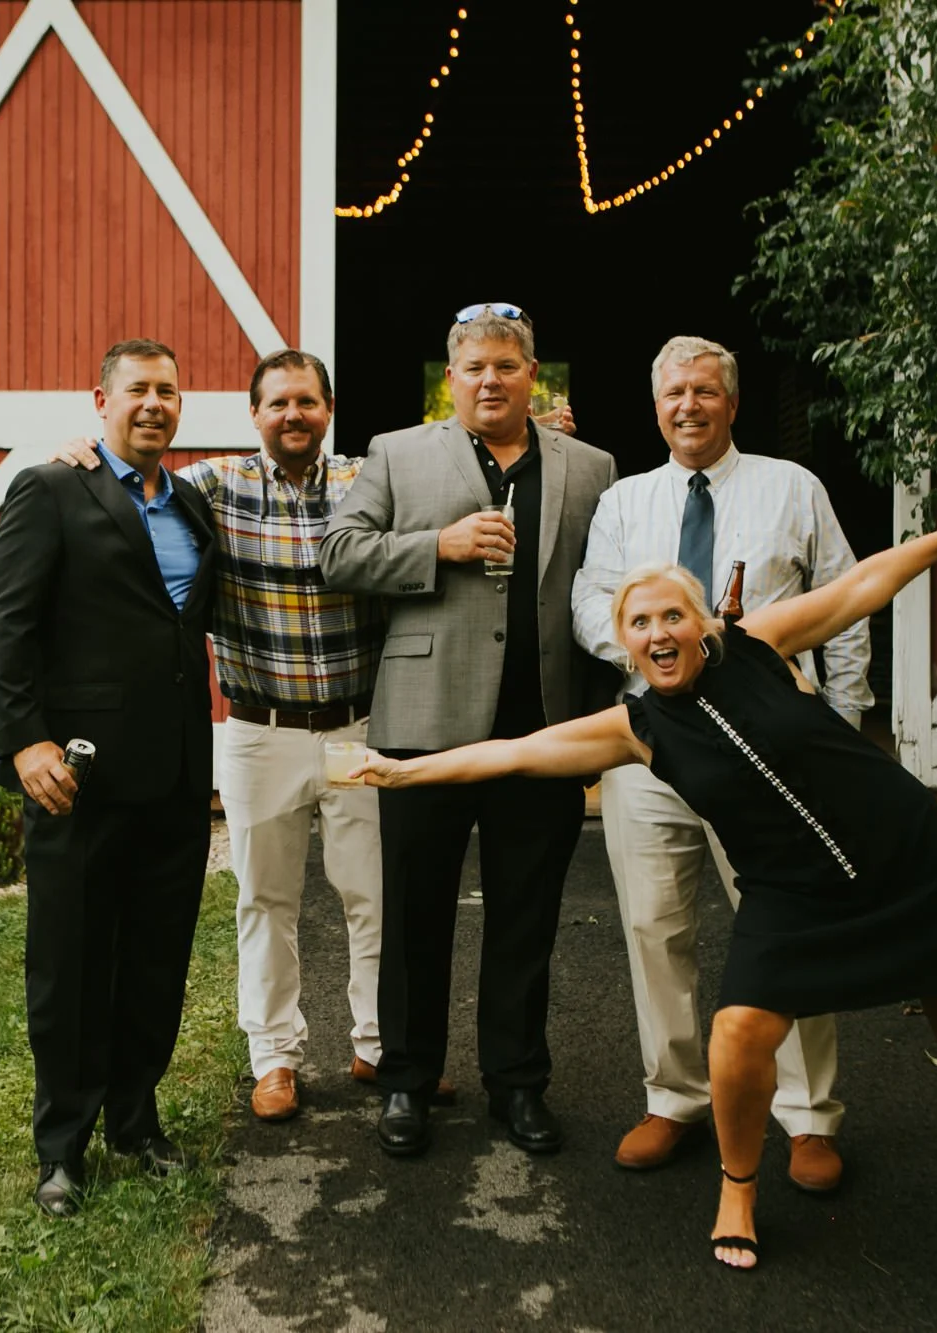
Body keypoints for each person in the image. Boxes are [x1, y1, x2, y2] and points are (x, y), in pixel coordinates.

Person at [351, 487, 937, 1269]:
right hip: (791, 890)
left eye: (672, 615)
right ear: (624, 643)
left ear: (703, 623)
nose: (659, 631)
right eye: (640, 622)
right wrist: (405, 773)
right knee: (739, 1033)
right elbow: (515, 752)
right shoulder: (636, 728)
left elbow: (862, 586)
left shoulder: (756, 644)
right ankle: (738, 1186)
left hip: (904, 854)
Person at [51, 349, 460, 1122]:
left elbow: (446, 486)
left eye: (307, 401)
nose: (293, 415)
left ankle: (379, 1045)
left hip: (357, 725)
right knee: (265, 900)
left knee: (373, 896)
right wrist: (79, 455)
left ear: (328, 409)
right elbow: (126, 486)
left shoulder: (367, 481)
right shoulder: (212, 485)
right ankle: (274, 1058)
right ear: (255, 414)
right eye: (278, 403)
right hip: (258, 729)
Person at [319, 303, 617, 1158]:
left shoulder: (593, 467)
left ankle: (517, 1082)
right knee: (416, 911)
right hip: (426, 723)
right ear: (450, 379)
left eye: (506, 366)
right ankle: (407, 1081)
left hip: (544, 728)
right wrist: (436, 546)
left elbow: (608, 583)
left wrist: (601, 722)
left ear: (533, 377)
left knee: (528, 914)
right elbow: (338, 553)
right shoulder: (395, 452)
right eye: (475, 368)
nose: (491, 380)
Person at [571, 336, 869, 1185]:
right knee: (653, 926)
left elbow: (844, 603)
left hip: (767, 748)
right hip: (652, 742)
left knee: (785, 923)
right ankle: (673, 1099)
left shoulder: (792, 488)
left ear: (732, 403)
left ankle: (807, 1115)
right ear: (656, 406)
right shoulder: (625, 501)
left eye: (705, 390)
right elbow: (591, 597)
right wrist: (647, 649)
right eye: (674, 393)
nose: (689, 405)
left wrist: (841, 724)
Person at [0, 338, 217, 1217]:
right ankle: (62, 1147)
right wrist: (25, 743)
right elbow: (5, 624)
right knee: (72, 961)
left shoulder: (191, 502)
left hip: (177, 775)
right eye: (138, 389)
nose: (154, 403)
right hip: (77, 775)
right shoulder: (51, 489)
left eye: (169, 390)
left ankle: (136, 1121)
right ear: (101, 400)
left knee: (156, 958)